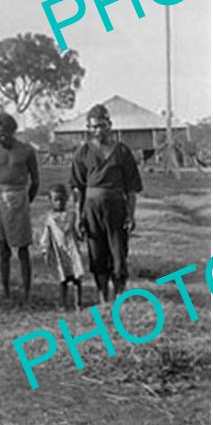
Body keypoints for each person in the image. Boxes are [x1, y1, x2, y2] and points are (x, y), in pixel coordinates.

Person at [70, 103, 142, 303]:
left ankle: (119, 295)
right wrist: (78, 216)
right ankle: (103, 297)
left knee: (118, 253)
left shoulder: (122, 152)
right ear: (88, 128)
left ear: (110, 125)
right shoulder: (82, 152)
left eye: (102, 125)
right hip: (91, 209)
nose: (98, 130)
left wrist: (131, 214)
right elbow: (78, 188)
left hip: (116, 207)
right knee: (97, 252)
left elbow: (131, 188)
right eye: (93, 127)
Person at [0, 113, 40, 303]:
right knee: (3, 249)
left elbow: (35, 181)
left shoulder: (27, 151)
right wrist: (1, 197)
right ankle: (6, 289)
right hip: (1, 198)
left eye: (4, 135)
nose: (1, 139)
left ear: (12, 132)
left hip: (20, 199)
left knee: (23, 249)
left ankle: (27, 291)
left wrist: (25, 201)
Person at [39, 183, 85, 310]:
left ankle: (78, 303)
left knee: (77, 278)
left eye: (61, 199)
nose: (59, 203)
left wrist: (81, 233)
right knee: (63, 279)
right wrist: (44, 247)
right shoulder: (49, 218)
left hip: (72, 249)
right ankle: (63, 303)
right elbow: (46, 234)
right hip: (59, 251)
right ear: (50, 201)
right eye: (56, 200)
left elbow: (76, 231)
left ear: (66, 199)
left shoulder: (72, 215)